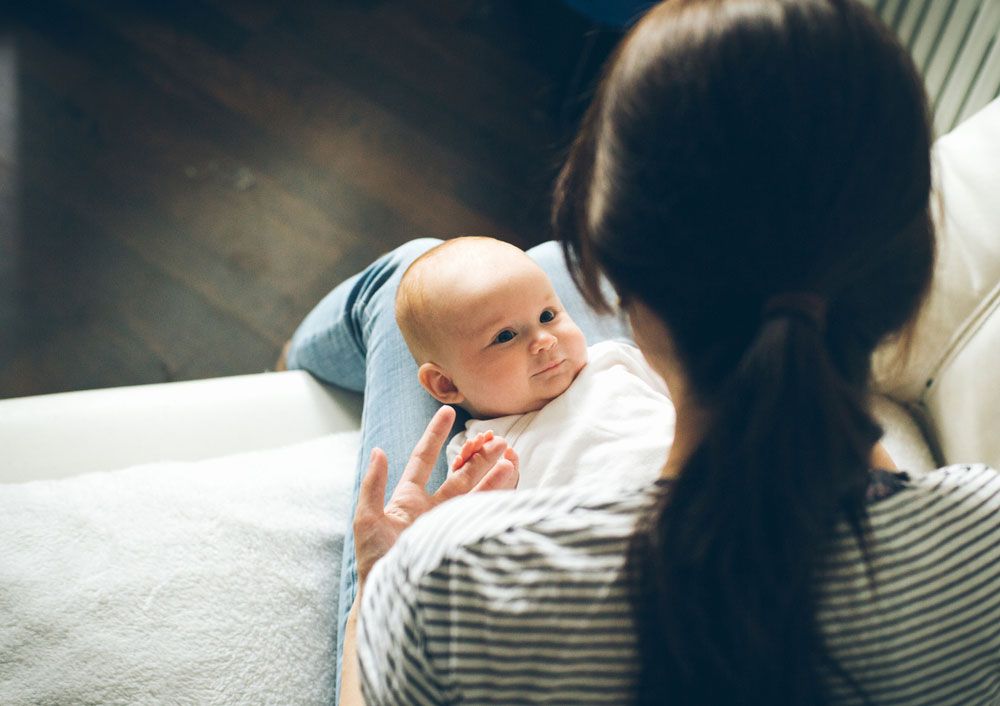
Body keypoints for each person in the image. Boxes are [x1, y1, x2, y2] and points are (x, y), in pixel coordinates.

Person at [286, 0, 1000, 704]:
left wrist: (376, 588)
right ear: (908, 276)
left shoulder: (449, 583)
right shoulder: (982, 541)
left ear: (612, 282)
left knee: (404, 271)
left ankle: (298, 355)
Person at [395, 235, 675, 489]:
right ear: (445, 383)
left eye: (548, 316)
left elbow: (693, 401)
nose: (545, 340)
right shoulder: (480, 452)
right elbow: (476, 528)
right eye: (505, 336)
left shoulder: (613, 360)